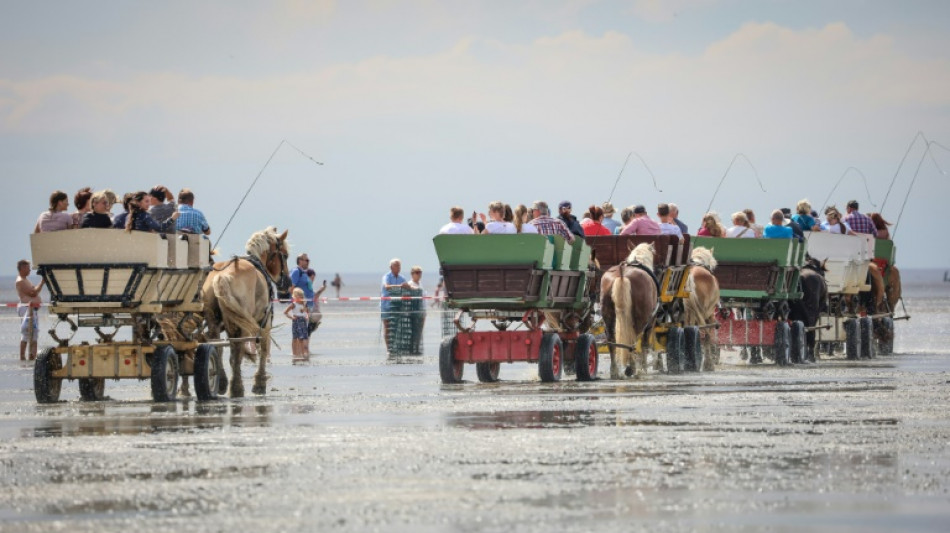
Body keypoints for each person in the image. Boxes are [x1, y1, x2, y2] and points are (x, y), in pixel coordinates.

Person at [16, 260, 44, 361]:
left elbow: (34, 292)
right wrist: (42, 282)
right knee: (26, 332)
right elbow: (33, 293)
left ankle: (32, 357)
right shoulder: (20, 281)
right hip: (27, 309)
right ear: (22, 268)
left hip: (33, 309)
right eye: (28, 268)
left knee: (34, 333)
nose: (30, 270)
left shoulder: (25, 280)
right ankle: (23, 357)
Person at [381, 258, 411, 353]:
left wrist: (408, 287)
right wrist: (400, 286)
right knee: (387, 327)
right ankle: (388, 349)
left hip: (398, 306)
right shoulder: (387, 276)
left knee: (397, 327)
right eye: (396, 266)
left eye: (399, 266)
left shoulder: (402, 278)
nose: (398, 267)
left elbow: (408, 287)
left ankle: (395, 346)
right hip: (386, 305)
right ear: (391, 267)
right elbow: (387, 286)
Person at [284, 287, 310, 361]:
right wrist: (291, 317)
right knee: (295, 338)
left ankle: (302, 353)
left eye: (301, 296)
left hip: (303, 321)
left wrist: (307, 316)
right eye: (298, 296)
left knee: (302, 338)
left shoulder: (304, 304)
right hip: (296, 321)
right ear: (294, 297)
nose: (300, 298)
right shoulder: (293, 304)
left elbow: (307, 312)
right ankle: (294, 353)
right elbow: (285, 312)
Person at [307, 269, 327, 337]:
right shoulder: (306, 286)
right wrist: (321, 290)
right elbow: (313, 297)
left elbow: (314, 296)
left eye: (314, 278)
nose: (313, 280)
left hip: (312, 317)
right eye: (312, 278)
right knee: (305, 338)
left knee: (307, 337)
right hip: (309, 316)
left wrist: (321, 290)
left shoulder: (309, 287)